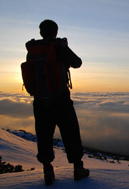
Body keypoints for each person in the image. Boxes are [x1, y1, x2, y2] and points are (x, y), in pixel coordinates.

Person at [27, 19, 89, 185]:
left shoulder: (32, 50)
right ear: (55, 31)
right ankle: (78, 169)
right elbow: (77, 63)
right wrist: (63, 47)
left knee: (44, 135)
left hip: (40, 101)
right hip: (61, 99)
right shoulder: (58, 47)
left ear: (41, 32)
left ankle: (48, 171)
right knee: (71, 133)